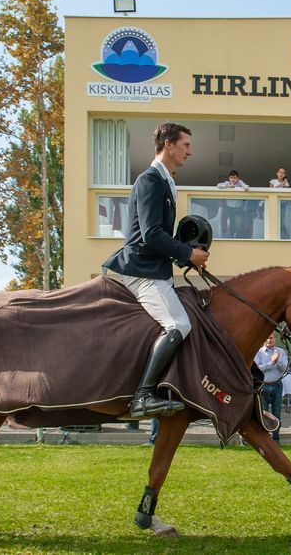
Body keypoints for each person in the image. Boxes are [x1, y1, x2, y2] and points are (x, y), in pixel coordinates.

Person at [101, 122, 210, 419]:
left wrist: (187, 258)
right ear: (169, 145)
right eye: (186, 145)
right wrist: (187, 253)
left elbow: (158, 236)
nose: (190, 151)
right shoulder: (150, 180)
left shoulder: (166, 181)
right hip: (143, 272)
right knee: (179, 325)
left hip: (154, 269)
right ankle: (143, 397)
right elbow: (150, 234)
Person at [254, 333, 288, 442]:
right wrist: (271, 362)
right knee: (263, 414)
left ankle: (275, 439)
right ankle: (264, 440)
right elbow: (257, 369)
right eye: (267, 338)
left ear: (275, 339)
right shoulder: (258, 352)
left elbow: (284, 369)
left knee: (276, 413)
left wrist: (277, 361)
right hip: (263, 385)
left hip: (277, 385)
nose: (269, 340)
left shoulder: (280, 351)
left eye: (271, 338)